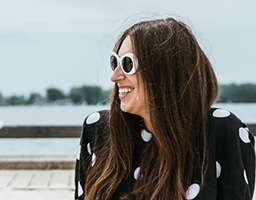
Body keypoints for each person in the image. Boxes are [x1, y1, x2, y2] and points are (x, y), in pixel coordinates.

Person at [75, 17, 255, 200]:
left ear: (166, 70)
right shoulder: (99, 130)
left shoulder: (223, 131)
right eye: (115, 62)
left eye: (128, 64)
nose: (115, 76)